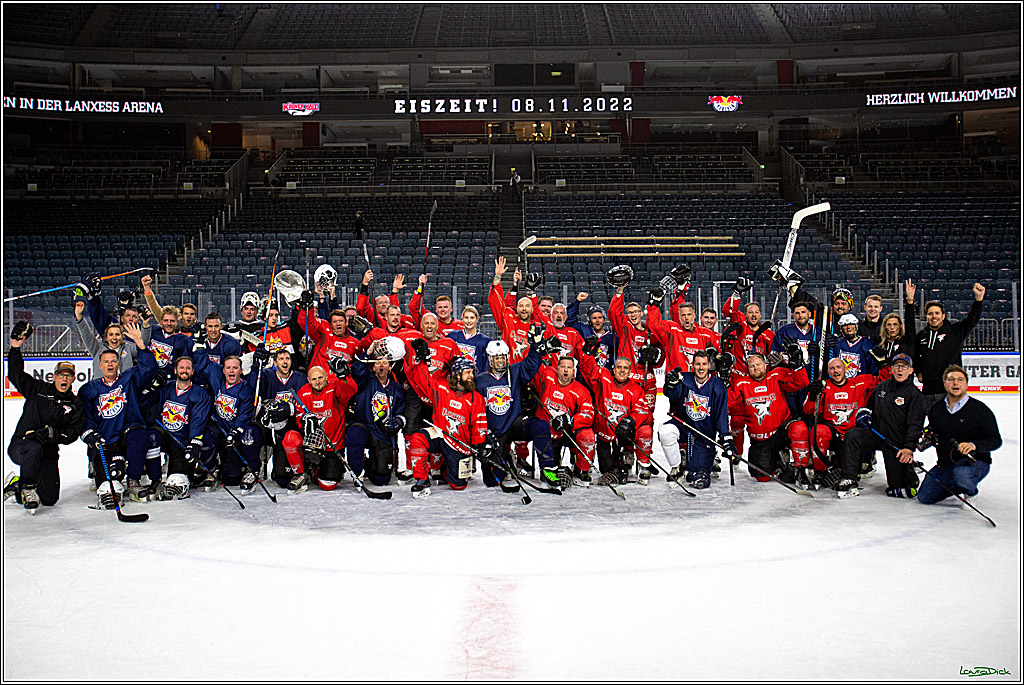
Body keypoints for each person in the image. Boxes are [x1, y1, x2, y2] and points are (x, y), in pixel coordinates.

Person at [4, 321, 85, 513]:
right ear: (54, 376)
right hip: (22, 445)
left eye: (68, 375)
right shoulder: (37, 390)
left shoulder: (75, 404)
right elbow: (15, 374)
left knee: (49, 499)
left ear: (74, 378)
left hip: (48, 452)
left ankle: (18, 484)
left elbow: (73, 433)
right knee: (33, 449)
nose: (64, 378)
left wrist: (54, 435)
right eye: (61, 375)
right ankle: (28, 488)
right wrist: (15, 348)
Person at [78, 322, 158, 509]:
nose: (110, 365)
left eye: (113, 361)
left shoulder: (128, 379)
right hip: (105, 436)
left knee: (139, 435)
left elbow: (149, 370)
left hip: (126, 431)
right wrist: (89, 433)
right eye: (106, 362)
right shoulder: (89, 389)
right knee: (107, 478)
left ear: (118, 363)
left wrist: (140, 343)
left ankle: (134, 481)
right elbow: (86, 417)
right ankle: (106, 484)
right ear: (99, 365)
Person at [834, 353, 926, 499]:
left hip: (896, 442)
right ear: (892, 369)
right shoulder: (882, 387)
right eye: (896, 366)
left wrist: (908, 448)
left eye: (904, 366)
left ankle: (909, 474)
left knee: (898, 486)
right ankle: (849, 478)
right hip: (877, 434)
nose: (900, 370)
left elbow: (915, 425)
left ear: (911, 370)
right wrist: (863, 414)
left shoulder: (915, 396)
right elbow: (867, 407)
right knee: (853, 435)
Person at [917, 365, 1001, 506]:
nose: (955, 383)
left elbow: (995, 440)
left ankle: (970, 491)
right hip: (946, 464)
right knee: (925, 497)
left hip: (974, 462)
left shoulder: (980, 410)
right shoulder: (936, 409)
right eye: (951, 379)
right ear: (944, 383)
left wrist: (974, 445)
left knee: (962, 474)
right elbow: (937, 431)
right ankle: (959, 484)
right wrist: (929, 437)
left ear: (966, 384)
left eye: (960, 379)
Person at [796, 357, 879, 488]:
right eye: (832, 368)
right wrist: (812, 395)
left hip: (854, 437)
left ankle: (847, 464)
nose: (836, 371)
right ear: (828, 371)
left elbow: (885, 379)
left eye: (839, 367)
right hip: (833, 434)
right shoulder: (824, 387)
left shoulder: (860, 383)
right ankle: (820, 471)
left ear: (845, 369)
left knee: (851, 470)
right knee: (818, 431)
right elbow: (808, 410)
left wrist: (883, 363)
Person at [727, 351, 808, 482]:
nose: (755, 368)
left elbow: (801, 383)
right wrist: (724, 383)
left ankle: (801, 470)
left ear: (765, 365)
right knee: (762, 477)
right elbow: (729, 404)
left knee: (799, 428)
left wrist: (798, 367)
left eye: (758, 364)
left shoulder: (777, 374)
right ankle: (779, 462)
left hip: (781, 432)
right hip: (761, 440)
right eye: (752, 366)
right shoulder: (741, 383)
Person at [659, 350, 731, 489]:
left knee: (698, 478)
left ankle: (699, 464)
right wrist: (670, 384)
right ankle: (677, 467)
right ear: (692, 365)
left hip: (703, 434)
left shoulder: (718, 386)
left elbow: (721, 414)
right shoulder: (684, 379)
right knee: (665, 432)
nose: (701, 368)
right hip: (683, 426)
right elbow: (672, 395)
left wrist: (725, 437)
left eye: (704, 364)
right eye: (698, 364)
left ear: (709, 365)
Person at [579, 350, 652, 486]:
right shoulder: (604, 379)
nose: (622, 371)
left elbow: (643, 411)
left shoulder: (636, 389)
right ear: (613, 369)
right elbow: (588, 370)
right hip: (604, 435)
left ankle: (643, 465)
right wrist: (588, 354)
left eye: (625, 368)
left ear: (630, 371)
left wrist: (629, 421)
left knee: (646, 430)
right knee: (607, 471)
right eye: (619, 367)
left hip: (624, 435)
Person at [148, 355, 212, 501]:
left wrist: (194, 442)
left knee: (178, 478)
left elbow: (198, 420)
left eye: (188, 368)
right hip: (165, 435)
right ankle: (155, 478)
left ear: (193, 371)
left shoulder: (199, 394)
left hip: (182, 440)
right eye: (181, 367)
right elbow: (150, 409)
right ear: (176, 370)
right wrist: (152, 388)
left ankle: (188, 471)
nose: (185, 370)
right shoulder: (166, 388)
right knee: (151, 437)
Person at [289, 362, 359, 492]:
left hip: (333, 445)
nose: (318, 382)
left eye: (320, 378)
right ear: (309, 380)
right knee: (290, 438)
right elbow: (298, 415)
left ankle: (318, 471)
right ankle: (303, 471)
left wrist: (345, 377)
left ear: (326, 376)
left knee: (327, 485)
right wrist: (304, 420)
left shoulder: (335, 387)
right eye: (314, 379)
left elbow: (351, 390)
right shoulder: (303, 392)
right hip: (312, 444)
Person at [346, 338, 407, 487]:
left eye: (385, 362)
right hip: (364, 425)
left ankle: (370, 464)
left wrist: (398, 422)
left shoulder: (397, 389)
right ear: (372, 367)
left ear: (390, 367)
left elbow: (401, 412)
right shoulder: (365, 380)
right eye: (378, 362)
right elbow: (356, 370)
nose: (381, 365)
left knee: (381, 480)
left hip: (381, 432)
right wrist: (368, 352)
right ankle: (357, 472)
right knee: (354, 434)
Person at [913, 283, 985, 406]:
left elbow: (972, 319)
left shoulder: (955, 331)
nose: (933, 316)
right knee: (932, 422)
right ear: (926, 316)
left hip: (949, 389)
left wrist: (978, 300)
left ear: (943, 316)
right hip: (928, 389)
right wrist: (918, 371)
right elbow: (915, 355)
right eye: (930, 314)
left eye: (937, 313)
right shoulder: (922, 335)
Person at [532, 356, 597, 487]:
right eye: (562, 367)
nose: (565, 370)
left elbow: (588, 413)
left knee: (587, 436)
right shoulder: (547, 377)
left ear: (574, 371)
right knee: (553, 470)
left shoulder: (581, 391)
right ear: (557, 369)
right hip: (548, 434)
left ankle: (581, 470)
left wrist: (571, 421)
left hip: (567, 433)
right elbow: (530, 366)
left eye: (569, 367)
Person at [73, 299, 139, 375]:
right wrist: (79, 316)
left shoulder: (130, 348)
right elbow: (87, 335)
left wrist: (139, 338)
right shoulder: (98, 349)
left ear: (122, 337)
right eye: (111, 335)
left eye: (117, 334)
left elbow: (144, 351)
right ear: (106, 338)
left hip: (124, 386)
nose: (114, 338)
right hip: (100, 387)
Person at [566, 292, 618, 370]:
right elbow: (569, 320)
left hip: (605, 374)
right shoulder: (584, 330)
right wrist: (577, 301)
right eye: (594, 318)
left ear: (604, 320)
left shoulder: (612, 337)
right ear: (589, 321)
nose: (597, 320)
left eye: (600, 317)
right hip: (586, 373)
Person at [447, 305, 492, 373]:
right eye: (466, 318)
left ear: (476, 319)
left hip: (475, 379)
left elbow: (486, 366)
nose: (469, 321)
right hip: (455, 379)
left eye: (472, 318)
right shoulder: (453, 336)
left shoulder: (485, 341)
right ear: (462, 318)